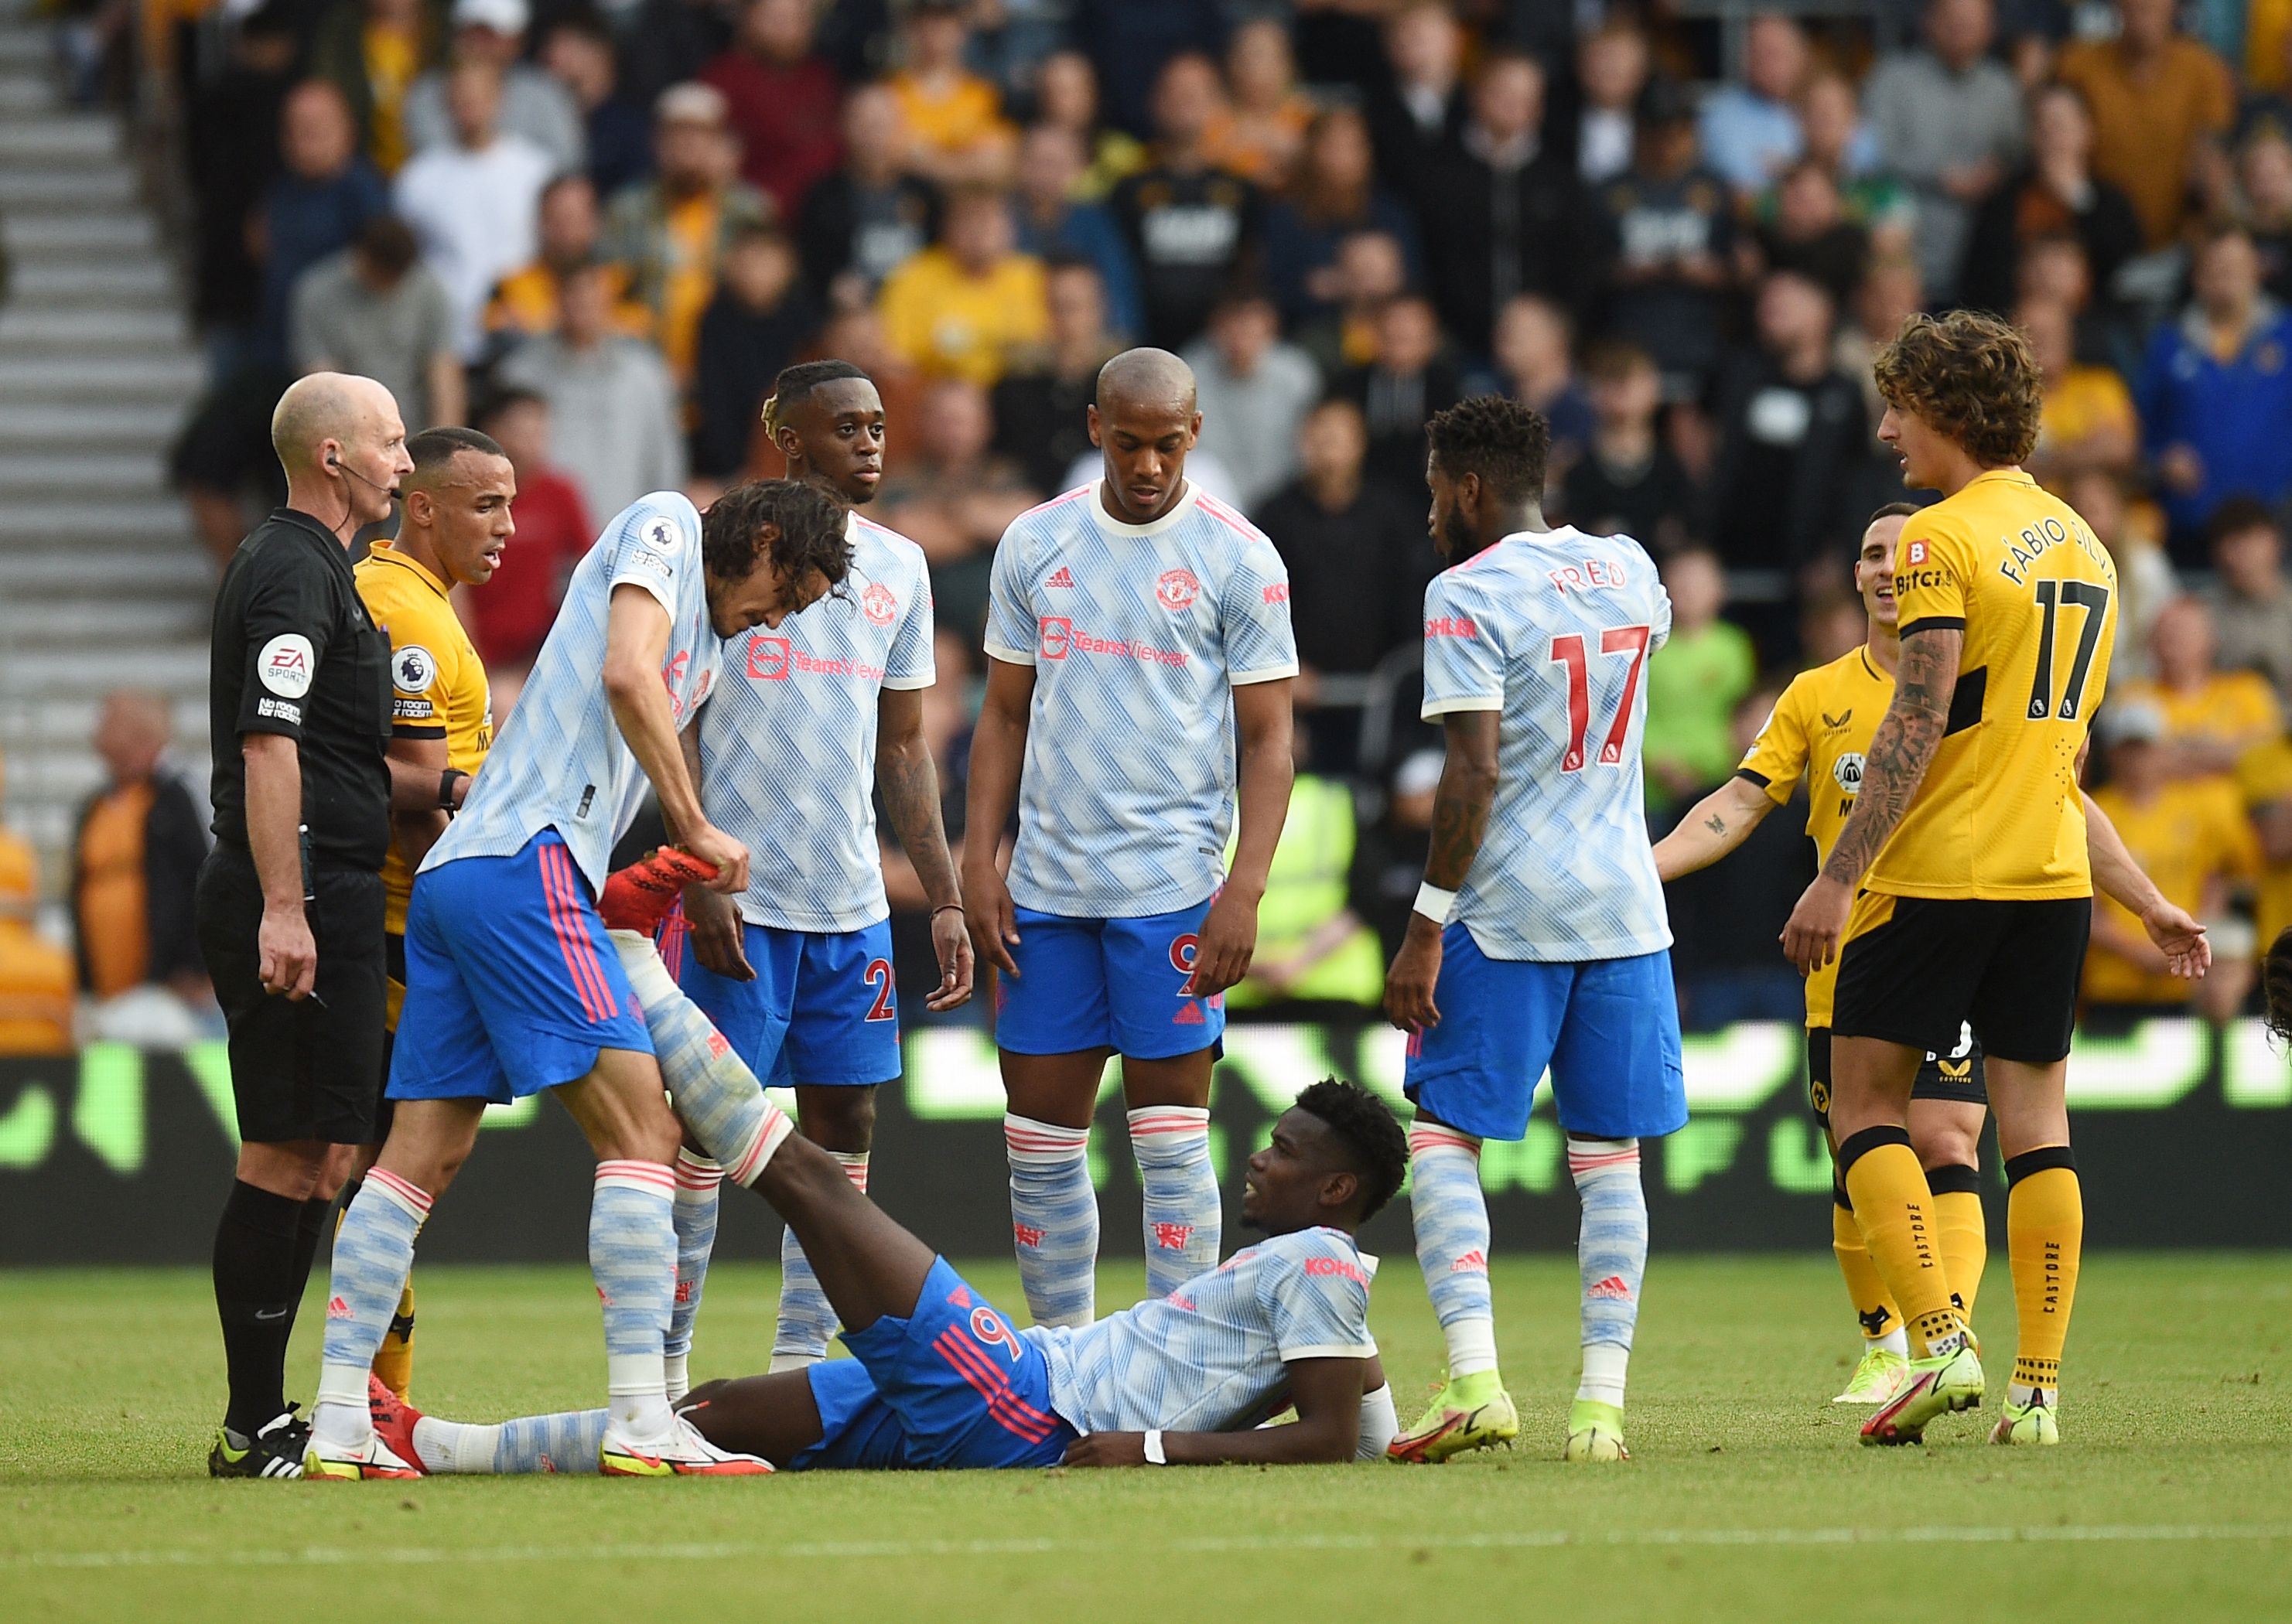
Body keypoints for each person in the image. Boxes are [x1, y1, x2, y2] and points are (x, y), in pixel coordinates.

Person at [303, 476, 851, 1479]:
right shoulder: (668, 525)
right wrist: (691, 825)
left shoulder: (713, 643)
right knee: (645, 1126)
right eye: (785, 594)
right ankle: (642, 1415)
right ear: (763, 537)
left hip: (459, 876)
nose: (775, 617)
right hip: (524, 864)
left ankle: (339, 1417)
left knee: (422, 1153)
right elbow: (624, 674)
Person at [1659, 505, 2206, 1405]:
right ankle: (1887, 1338)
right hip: (1844, 950)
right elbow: (1739, 802)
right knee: (1858, 1152)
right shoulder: (1815, 694)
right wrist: (1646, 871)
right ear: (1855, 577)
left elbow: (2062, 796)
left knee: (1947, 1134)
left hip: (1958, 921)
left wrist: (2144, 901)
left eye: (1895, 554)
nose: (1884, 569)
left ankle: (1940, 1332)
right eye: (1869, 553)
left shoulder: (1972, 674)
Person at [1781, 312, 2166, 1447]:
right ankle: (2036, 1390)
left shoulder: (1933, 540)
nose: (1888, 429)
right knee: (2034, 1131)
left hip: (1939, 872)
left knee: (1862, 1108)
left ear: (1947, 413)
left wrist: (1837, 876)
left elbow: (1918, 708)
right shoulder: (2083, 544)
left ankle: (1941, 1344)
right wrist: (2132, 894)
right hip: (2050, 876)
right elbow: (2064, 747)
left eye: (1900, 406)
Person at [361, 1073, 1405, 1476]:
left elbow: (1318, 1441)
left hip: (1026, 1407)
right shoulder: (1314, 1268)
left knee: (811, 1184)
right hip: (1025, 1382)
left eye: (1285, 1149)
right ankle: (430, 1444)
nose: (1259, 1157)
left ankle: (630, 970)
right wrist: (1401, 1437)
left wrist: (1154, 1452)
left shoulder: (1314, 1262)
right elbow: (1353, 1413)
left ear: (1334, 1187)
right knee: (711, 1414)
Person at [965, 347, 1297, 1331]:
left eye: (1165, 444)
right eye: (1127, 442)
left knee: (1168, 1144)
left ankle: (1171, 1361)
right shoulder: (1034, 542)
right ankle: (1062, 1362)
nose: (1146, 464)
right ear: (1094, 429)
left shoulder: (1240, 557)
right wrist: (979, 864)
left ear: (1194, 435)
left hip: (1173, 887)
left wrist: (1243, 889)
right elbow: (1001, 718)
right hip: (1047, 891)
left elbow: (1270, 739)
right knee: (1039, 1143)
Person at [1381, 395, 1685, 1468]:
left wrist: (1423, 927)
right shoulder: (1630, 568)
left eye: (1430, 491)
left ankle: (1473, 1380)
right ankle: (1599, 1410)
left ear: (1466, 487)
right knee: (1608, 1158)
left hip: (1504, 911)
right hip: (1622, 906)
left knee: (1443, 1135)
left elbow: (1471, 769)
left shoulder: (1461, 592)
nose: (1428, 516)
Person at [657, 360, 971, 1382]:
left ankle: (804, 1357)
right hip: (738, 901)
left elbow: (905, 749)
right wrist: (699, 863)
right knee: (702, 1135)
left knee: (844, 1126)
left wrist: (946, 895)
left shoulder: (902, 568)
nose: (872, 443)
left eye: (880, 425)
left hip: (849, 905)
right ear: (790, 439)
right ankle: (663, 1369)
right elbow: (675, 720)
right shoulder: (718, 549)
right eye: (846, 428)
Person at [196, 373, 411, 1479]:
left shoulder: (323, 566)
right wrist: (285, 905)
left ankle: (281, 1413)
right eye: (389, 441)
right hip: (298, 891)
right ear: (331, 456)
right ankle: (252, 1424)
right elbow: (267, 744)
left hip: (329, 890)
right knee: (285, 1156)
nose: (404, 462)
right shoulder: (290, 566)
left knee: (327, 1154)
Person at [348, 425, 513, 1402]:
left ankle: (373, 1397)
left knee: (403, 1169)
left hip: (421, 917)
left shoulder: (421, 603)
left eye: (510, 503)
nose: (507, 527)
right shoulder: (405, 616)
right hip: (409, 923)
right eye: (486, 505)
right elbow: (411, 786)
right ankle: (370, 1400)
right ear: (423, 506)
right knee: (401, 1168)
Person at [2082, 701, 2255, 1021]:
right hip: (2114, 984)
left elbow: (2213, 883)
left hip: (2182, 982)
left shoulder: (2194, 810)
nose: (2138, 761)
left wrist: (2198, 934)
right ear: (2113, 754)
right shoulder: (2096, 812)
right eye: (2129, 750)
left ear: (2163, 751)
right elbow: (2087, 904)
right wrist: (2141, 954)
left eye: (2145, 748)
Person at [602, 81, 777, 386]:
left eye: (700, 139)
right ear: (657, 144)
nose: (688, 150)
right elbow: (609, 292)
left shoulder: (750, 213)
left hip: (732, 376)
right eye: (677, 138)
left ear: (721, 145)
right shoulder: (627, 212)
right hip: (646, 372)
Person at [1415, 50, 1583, 359]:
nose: (1514, 106)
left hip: (1543, 348)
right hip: (1456, 345)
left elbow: (1575, 262)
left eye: (1526, 97)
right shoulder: (1439, 174)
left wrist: (1550, 324)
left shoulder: (1560, 179)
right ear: (1476, 95)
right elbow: (1428, 256)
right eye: (1503, 94)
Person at [2137, 224, 2292, 558]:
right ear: (2198, 278)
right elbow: (2141, 424)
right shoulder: (2168, 344)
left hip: (2277, 525)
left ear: (2257, 271)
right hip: (2191, 526)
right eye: (2217, 270)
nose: (2227, 280)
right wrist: (2161, 460)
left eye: (2236, 269)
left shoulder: (2286, 337)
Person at [496, 258, 687, 524]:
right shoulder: (521, 373)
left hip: (629, 535)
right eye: (574, 294)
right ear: (556, 299)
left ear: (608, 300)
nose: (583, 305)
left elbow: (665, 458)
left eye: (591, 295)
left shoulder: (644, 374)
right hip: (546, 541)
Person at [1860, 0, 2026, 302]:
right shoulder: (1892, 78)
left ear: (1991, 28)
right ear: (1927, 21)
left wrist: (1995, 172)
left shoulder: (2003, 86)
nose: (1960, 30)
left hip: (1983, 251)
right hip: (1907, 240)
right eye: (1951, 19)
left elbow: (2018, 152)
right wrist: (1941, 175)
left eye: (1971, 22)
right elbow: (1872, 151)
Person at [391, 60, 552, 358]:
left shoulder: (536, 171)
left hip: (524, 334)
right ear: (445, 103)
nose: (470, 107)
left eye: (479, 96)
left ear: (500, 98)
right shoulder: (417, 179)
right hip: (446, 340)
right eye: (461, 98)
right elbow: (406, 266)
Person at [2055, 0, 2237, 252]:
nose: (2144, 7)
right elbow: (2053, 147)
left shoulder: (2203, 70)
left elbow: (2213, 163)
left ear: (2176, 7)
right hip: (2092, 241)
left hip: (2178, 248)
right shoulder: (2077, 65)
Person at [71, 692, 209, 1021]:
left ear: (140, 731)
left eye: (109, 720)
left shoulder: (174, 797)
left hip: (167, 990)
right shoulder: (96, 805)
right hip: (103, 992)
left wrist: (193, 965)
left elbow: (200, 879)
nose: (98, 732)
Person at [1109, 54, 1259, 351]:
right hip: (1145, 344)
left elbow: (1253, 274)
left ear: (1217, 103)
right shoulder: (1129, 191)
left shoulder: (1242, 191)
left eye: (1194, 94)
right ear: (1155, 102)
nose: (1184, 103)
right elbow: (1118, 275)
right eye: (1174, 93)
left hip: (1224, 348)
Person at [1957, 83, 2143, 322]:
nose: (2051, 137)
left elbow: (2125, 273)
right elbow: (1980, 282)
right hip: (2017, 328)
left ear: (2087, 131)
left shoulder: (2111, 202)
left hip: (2094, 331)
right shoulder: (2003, 201)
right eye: (2042, 127)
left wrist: (2078, 198)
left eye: (2060, 126)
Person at [291, 215, 464, 432]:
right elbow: (320, 386)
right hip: (349, 432)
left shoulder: (429, 290)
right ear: (360, 256)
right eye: (381, 275)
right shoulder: (317, 294)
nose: (388, 284)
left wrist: (442, 447)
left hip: (413, 431)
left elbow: (444, 377)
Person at [463, 389, 592, 681]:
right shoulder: (466, 495)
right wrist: (471, 658)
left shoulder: (560, 493)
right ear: (493, 433)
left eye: (540, 433)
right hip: (479, 651)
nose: (534, 444)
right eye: (523, 433)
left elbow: (590, 566)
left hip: (540, 656)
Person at [876, 185, 1050, 388]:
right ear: (947, 227)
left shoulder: (1034, 277)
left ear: (1011, 227)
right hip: (938, 395)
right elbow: (895, 359)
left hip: (1018, 394)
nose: (980, 232)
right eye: (969, 220)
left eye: (989, 220)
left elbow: (1051, 348)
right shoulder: (912, 277)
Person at [691, 226, 818, 481]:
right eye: (746, 261)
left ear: (787, 265)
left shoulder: (807, 320)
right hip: (728, 466)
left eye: (764, 261)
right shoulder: (715, 320)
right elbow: (715, 399)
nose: (754, 273)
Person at [400, 0, 583, 176]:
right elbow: (430, 164)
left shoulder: (546, 94)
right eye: (474, 32)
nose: (482, 44)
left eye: (493, 35)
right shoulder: (426, 93)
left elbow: (566, 166)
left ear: (517, 40)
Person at [796, 83, 938, 306]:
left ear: (901, 128)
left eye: (882, 125)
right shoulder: (822, 197)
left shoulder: (928, 195)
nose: (873, 137)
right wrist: (830, 286)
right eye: (864, 125)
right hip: (850, 316)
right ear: (844, 128)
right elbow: (810, 268)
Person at [991, 258, 1122, 498]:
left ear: (1100, 308)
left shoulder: (1124, 381)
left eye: (1073, 307)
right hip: (1027, 507)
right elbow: (1000, 460)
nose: (1063, 319)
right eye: (1053, 307)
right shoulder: (1016, 381)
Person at [699, 0, 842, 221]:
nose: (785, 28)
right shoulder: (723, 80)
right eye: (774, 18)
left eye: (796, 19)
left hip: (826, 219)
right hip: (754, 221)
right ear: (748, 20)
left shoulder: (823, 77)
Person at [1182, 292, 1323, 510]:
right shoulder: (1189, 373)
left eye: (1249, 327)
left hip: (1288, 505)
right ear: (1215, 328)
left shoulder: (1297, 374)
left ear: (1270, 327)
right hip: (1212, 503)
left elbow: (1312, 445)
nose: (1240, 336)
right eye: (1232, 325)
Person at [1011, 123, 1146, 344]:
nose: (1046, 174)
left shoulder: (1097, 221)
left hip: (1087, 343)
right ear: (1018, 164)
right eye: (1037, 162)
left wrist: (1116, 338)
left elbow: (1119, 292)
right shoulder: (1001, 221)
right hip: (1020, 343)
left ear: (1077, 169)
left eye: (1056, 164)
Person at [483, 174, 652, 350]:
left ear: (596, 223)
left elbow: (636, 338)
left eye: (575, 219)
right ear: (539, 222)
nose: (566, 230)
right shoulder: (509, 286)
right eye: (557, 219)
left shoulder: (622, 284)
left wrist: (539, 326)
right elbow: (502, 346)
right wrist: (596, 325)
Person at [1641, 548, 1755, 807]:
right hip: (1656, 786)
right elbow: (1631, 714)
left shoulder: (1734, 647)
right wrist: (1657, 761)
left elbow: (1745, 714)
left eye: (1697, 582)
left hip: (1722, 779)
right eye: (1679, 581)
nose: (1688, 590)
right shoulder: (1649, 647)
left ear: (1719, 588)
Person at [1560, 339, 1695, 554]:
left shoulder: (1673, 470)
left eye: (1630, 378)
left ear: (1653, 387)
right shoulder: (1576, 471)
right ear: (1593, 391)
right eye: (1611, 378)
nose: (1621, 388)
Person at [886, 0, 1017, 187]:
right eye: (925, 18)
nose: (935, 28)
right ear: (909, 27)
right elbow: (883, 154)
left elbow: (998, 164)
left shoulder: (985, 94)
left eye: (947, 18)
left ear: (963, 29)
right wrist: (963, 160)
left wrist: (922, 157)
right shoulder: (890, 92)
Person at [538, 15, 652, 198]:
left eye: (564, 46)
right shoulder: (548, 118)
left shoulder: (630, 126)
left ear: (597, 52)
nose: (549, 56)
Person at [1696, 12, 1808, 195]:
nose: (1768, 63)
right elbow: (1735, 178)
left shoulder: (1820, 104)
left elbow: (1860, 159)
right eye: (1758, 53)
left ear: (1800, 56)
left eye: (1776, 53)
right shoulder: (1720, 113)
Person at [2198, 499, 2292, 705]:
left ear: (2275, 540)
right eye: (2229, 542)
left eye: (2248, 538)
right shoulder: (2201, 612)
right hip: (2222, 727)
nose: (2240, 552)